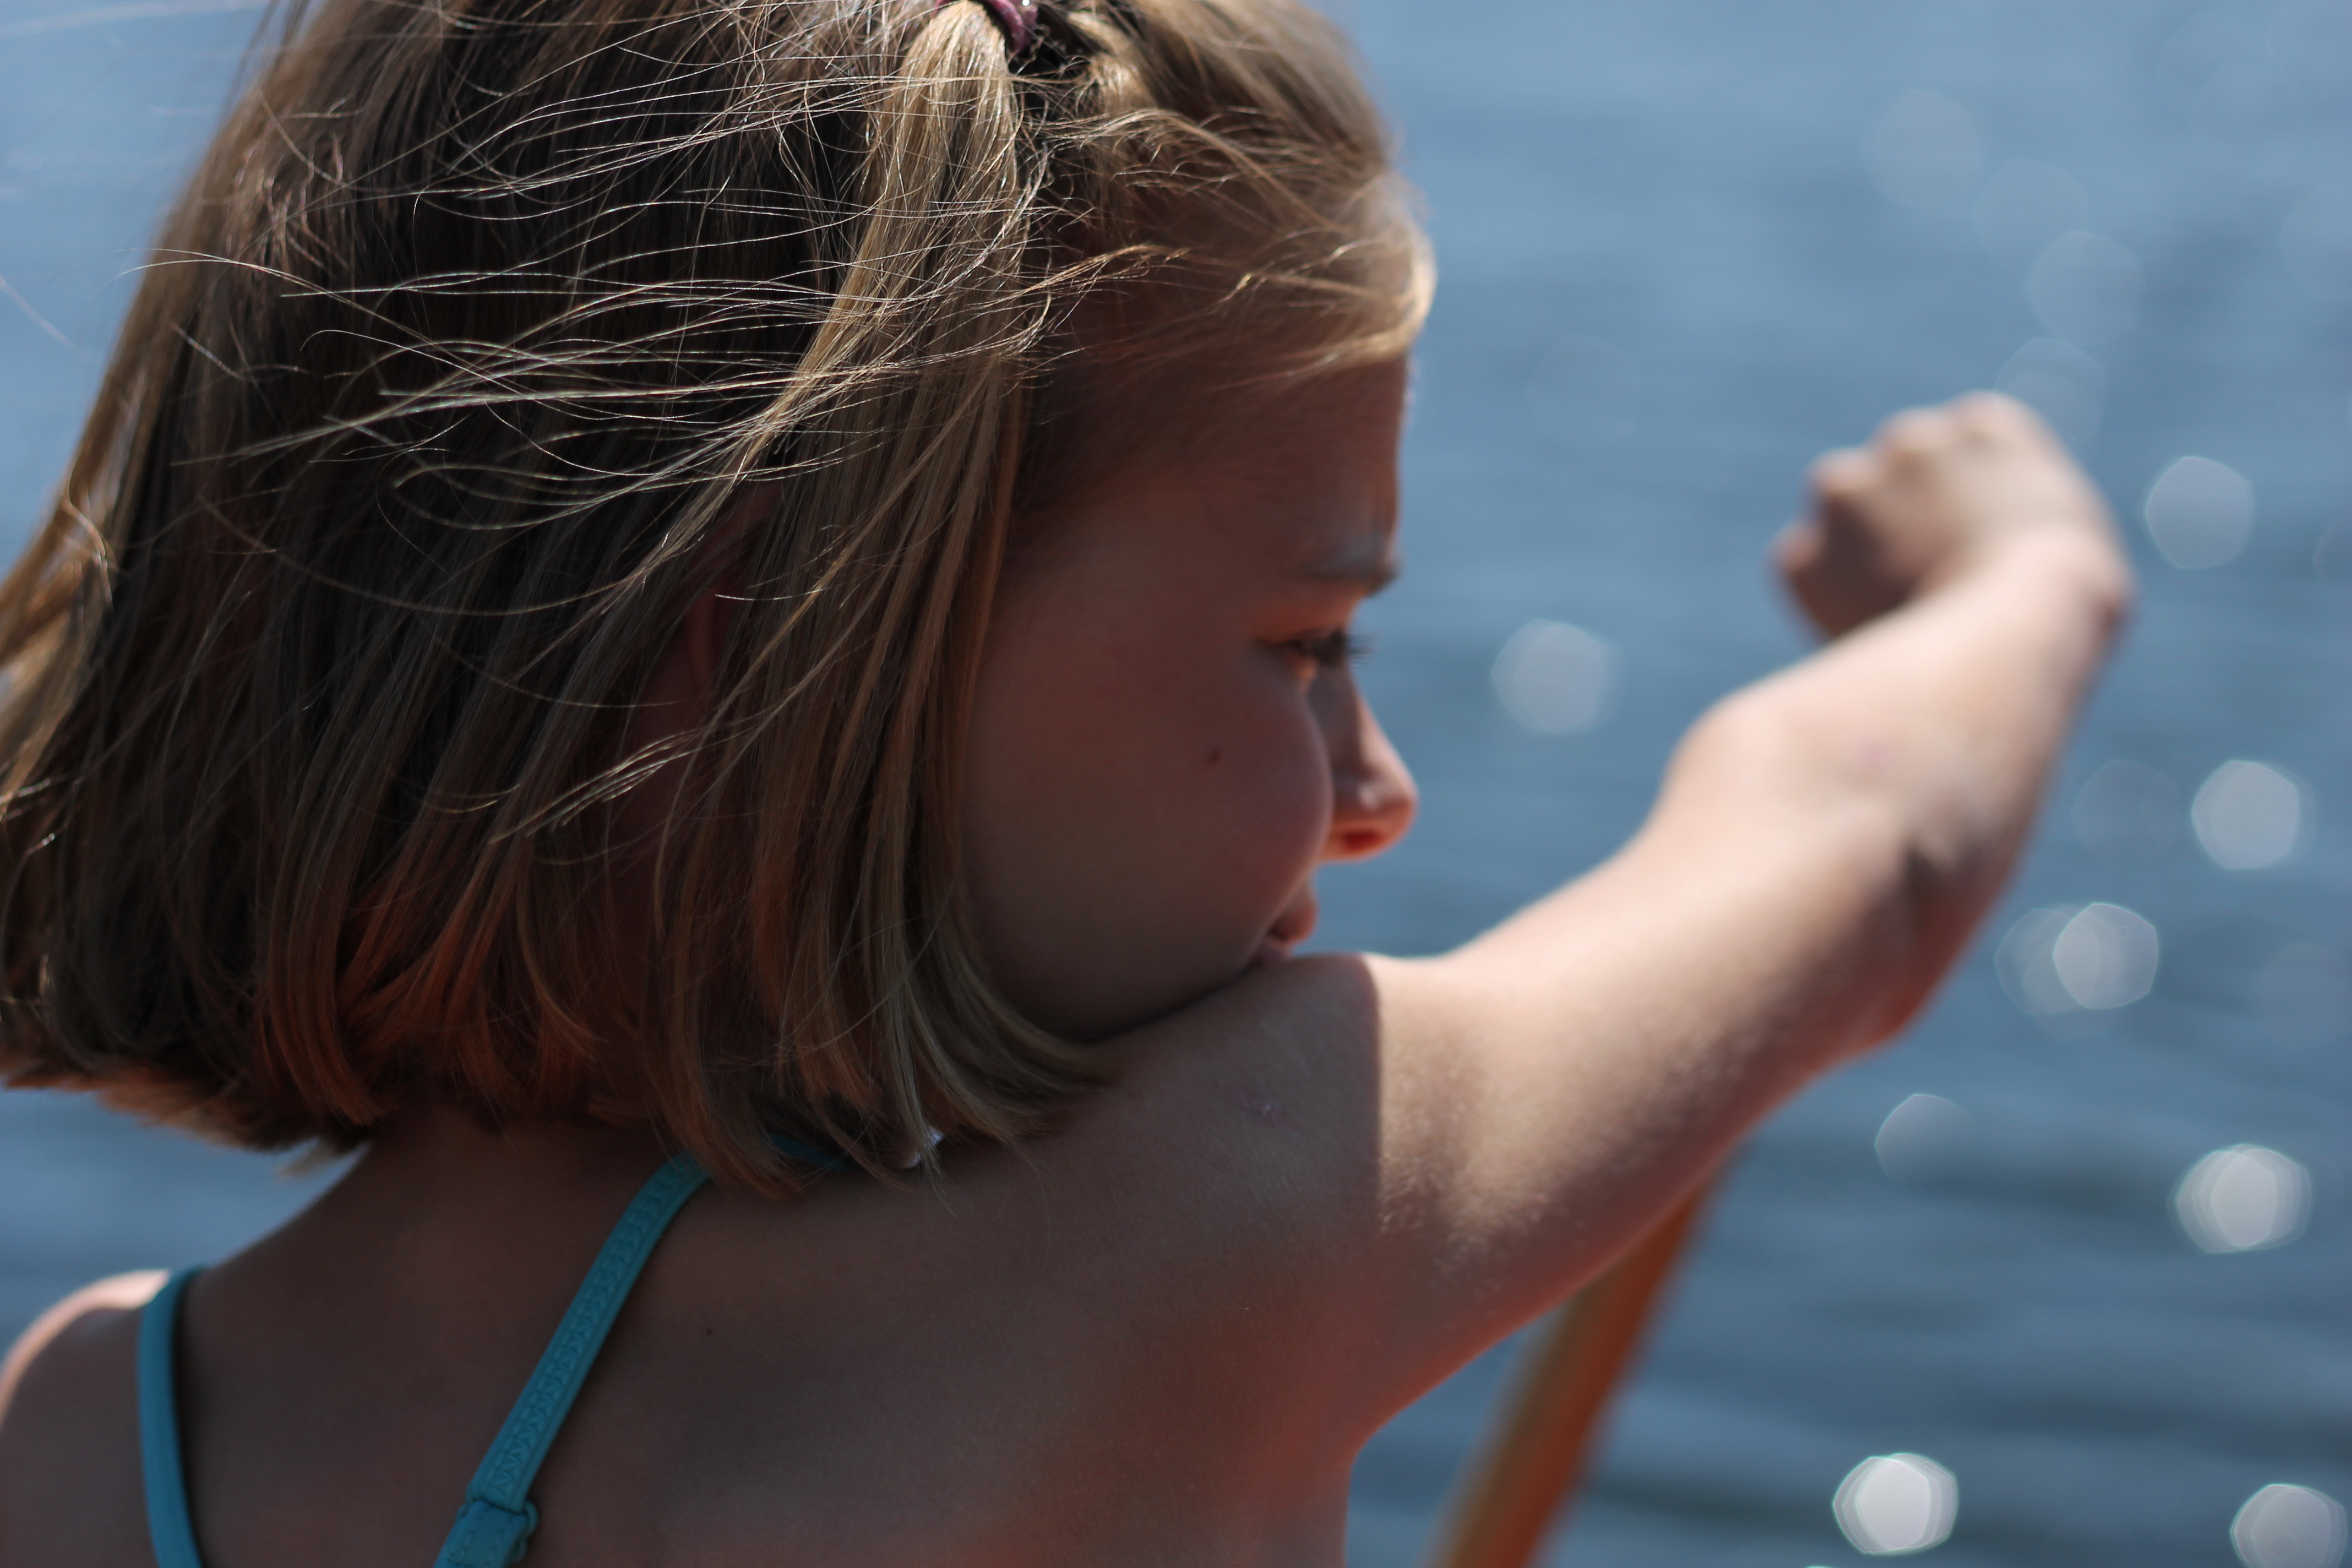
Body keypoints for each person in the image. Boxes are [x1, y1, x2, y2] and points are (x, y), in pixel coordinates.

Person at [0, 0, 2130, 1561]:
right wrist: (2025, 568)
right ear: (784, 642)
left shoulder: (90, 1433)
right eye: (1306, 645)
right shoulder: (1194, 1241)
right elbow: (1870, 845)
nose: (1376, 788)